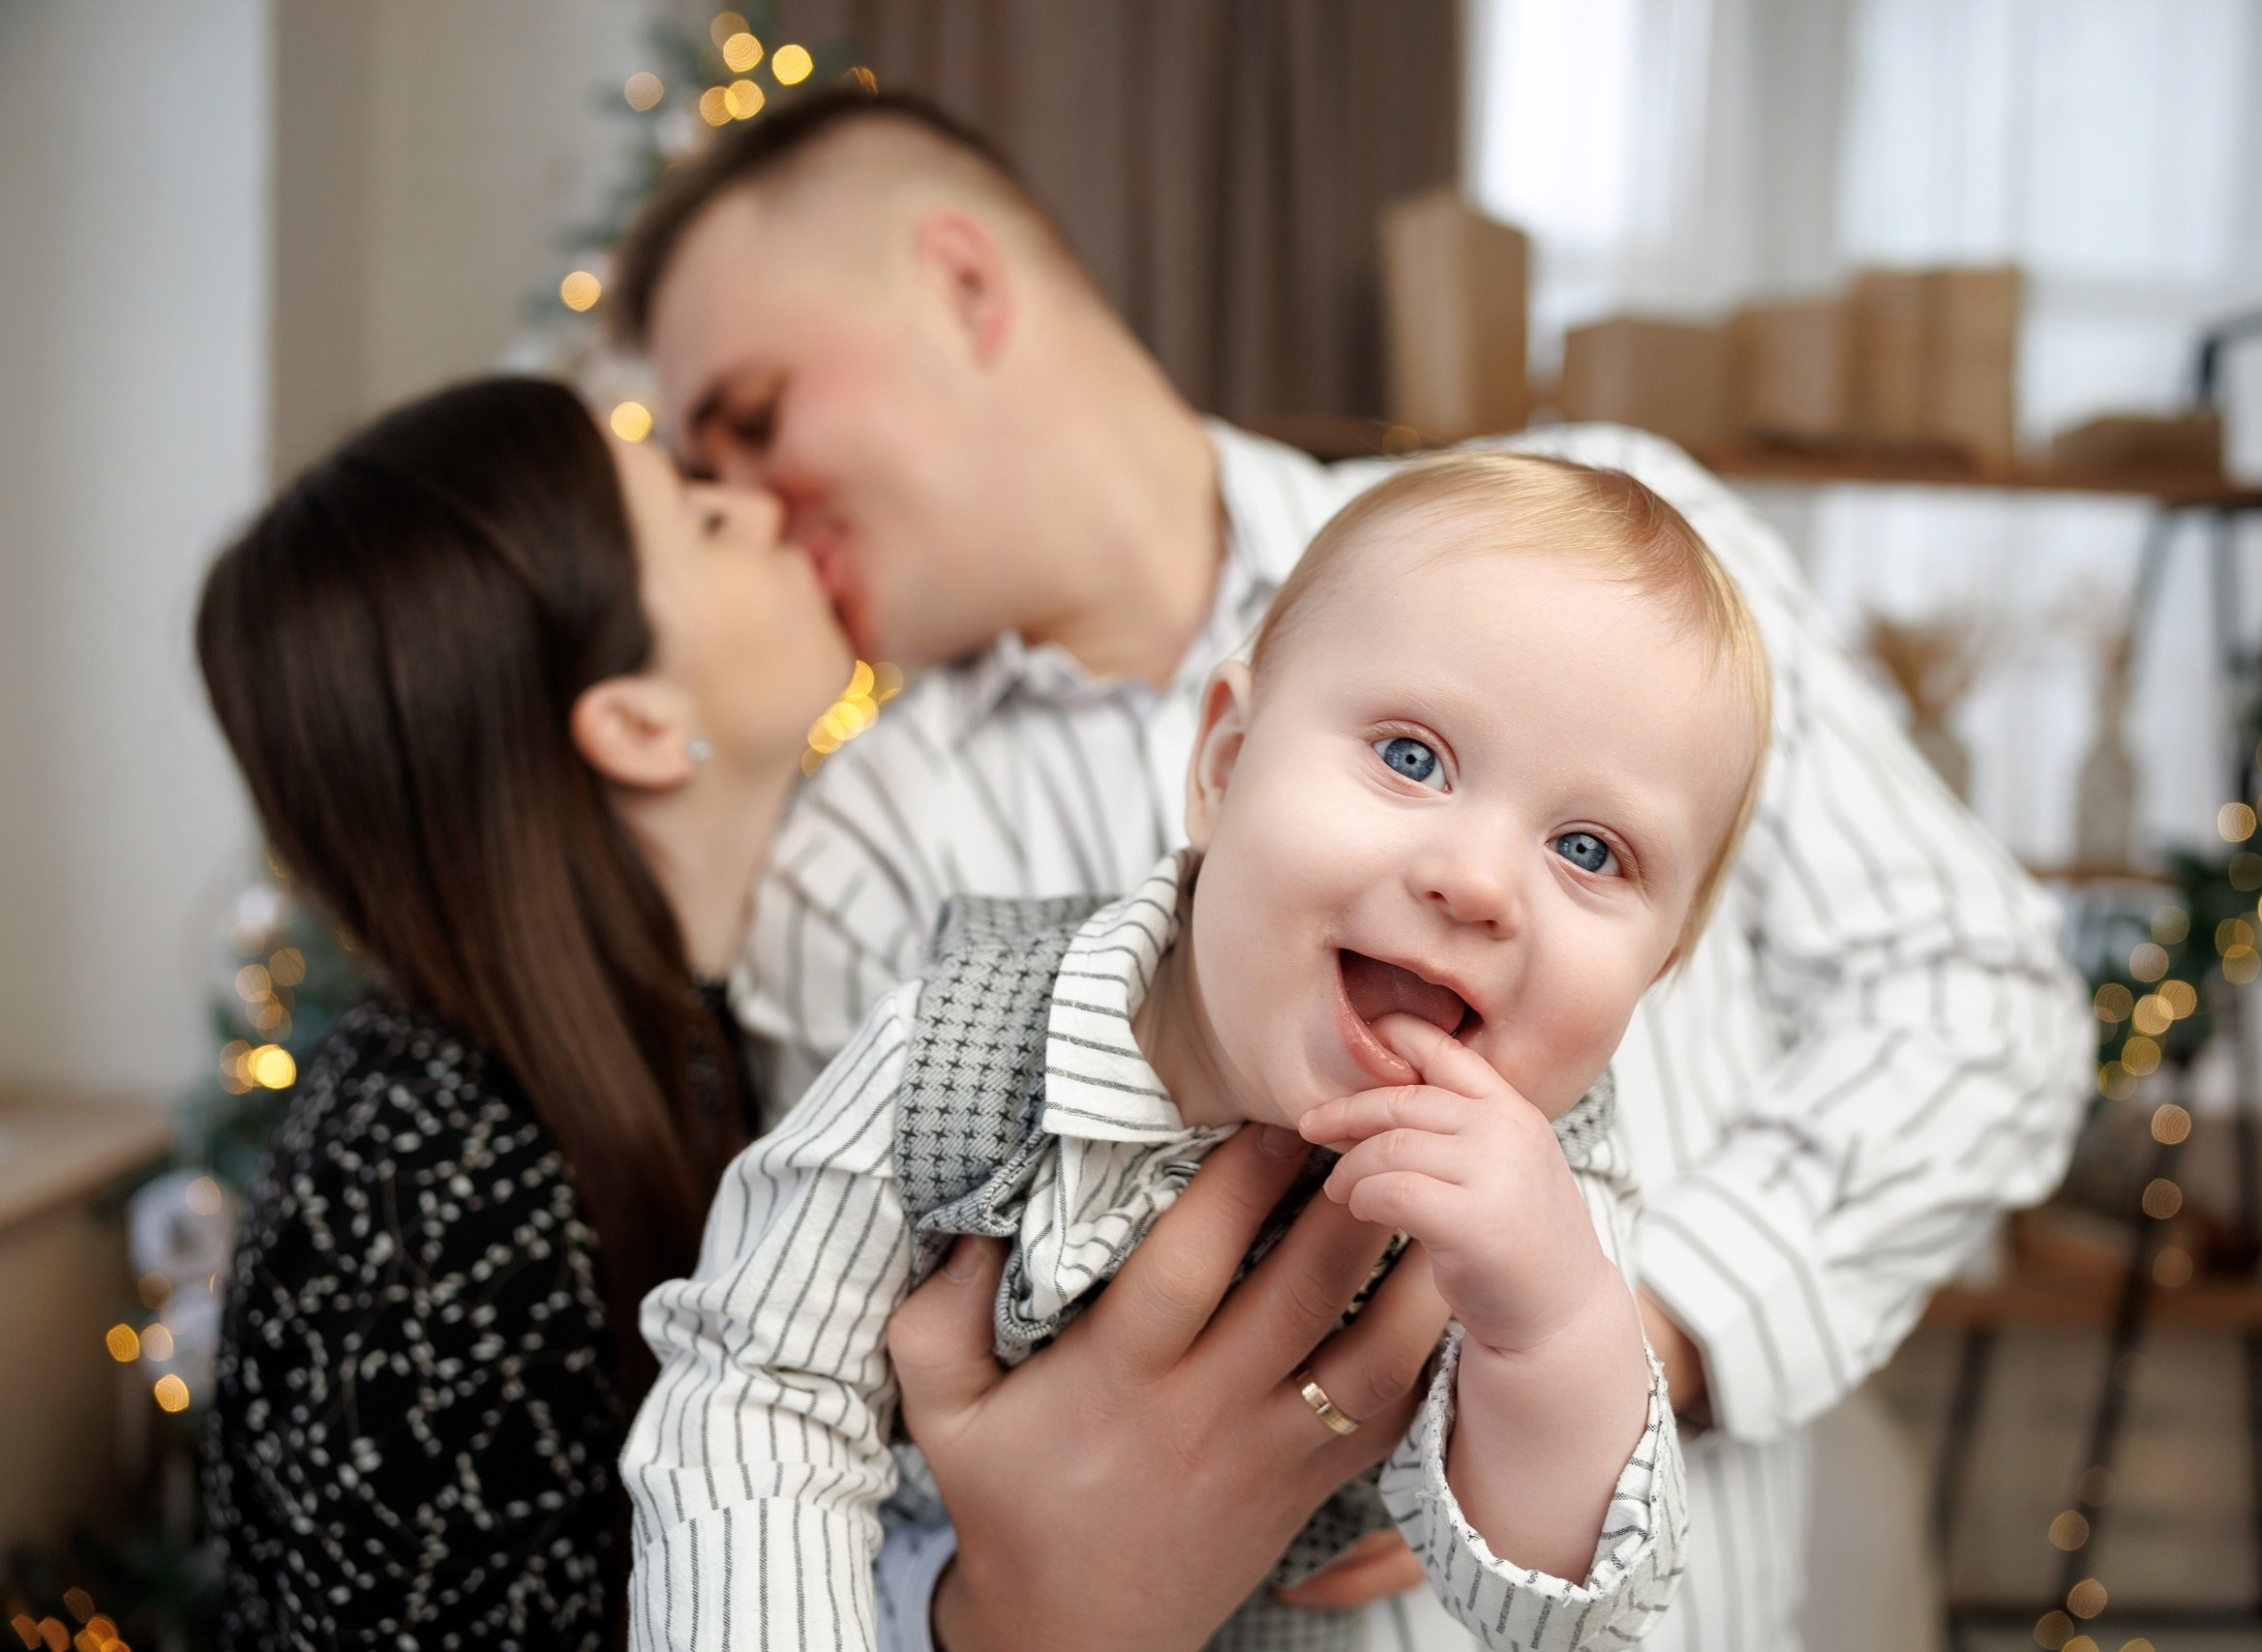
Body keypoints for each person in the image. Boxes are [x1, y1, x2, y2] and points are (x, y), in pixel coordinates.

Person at [615, 89, 2092, 1652]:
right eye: (1406, 759)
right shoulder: (858, 864)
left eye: (756, 417)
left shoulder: (1630, 567)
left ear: (966, 286)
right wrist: (1029, 1598)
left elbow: (1981, 995)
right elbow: (822, 1405)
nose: (753, 511)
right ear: (1225, 756)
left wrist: (1616, 1336)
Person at [624, 453, 1774, 1650]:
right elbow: (757, 1393)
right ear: (1224, 764)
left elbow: (1556, 1608)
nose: (1478, 882)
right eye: (1412, 757)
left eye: (1588, 851)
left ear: (1657, 970)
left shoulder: (1547, 1187)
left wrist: (1547, 1328)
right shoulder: (956, 1052)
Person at [195, 376, 854, 1649]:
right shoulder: (429, 1201)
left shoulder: (699, 1028)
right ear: (640, 723)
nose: (762, 506)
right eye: (704, 521)